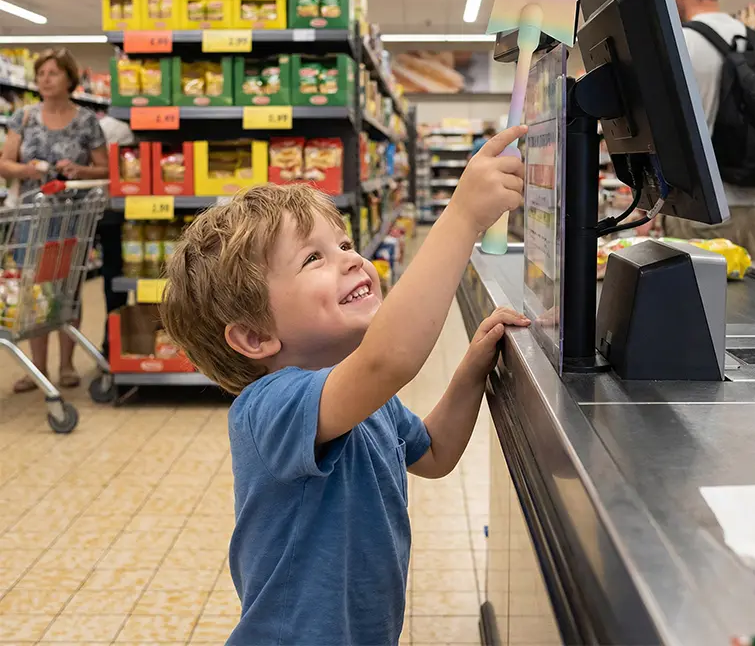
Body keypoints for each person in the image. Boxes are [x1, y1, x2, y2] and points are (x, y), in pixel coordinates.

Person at [160, 125, 529, 646]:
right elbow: (390, 358)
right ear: (254, 335)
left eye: (345, 244)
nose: (352, 259)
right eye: (314, 258)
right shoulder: (270, 408)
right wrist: (463, 217)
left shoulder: (366, 402)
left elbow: (435, 453)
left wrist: (470, 372)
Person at [0, 49, 109, 392]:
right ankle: (37, 369)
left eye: (53, 73)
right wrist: (30, 169)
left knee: (67, 289)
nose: (45, 79)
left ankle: (65, 366)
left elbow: (105, 168)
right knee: (34, 291)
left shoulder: (86, 120)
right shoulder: (23, 117)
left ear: (69, 78)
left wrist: (79, 171)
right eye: (41, 73)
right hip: (32, 217)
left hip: (72, 217)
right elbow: (5, 164)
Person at [668, 0, 755, 261]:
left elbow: (671, 131)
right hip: (754, 208)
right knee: (752, 308)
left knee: (699, 306)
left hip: (702, 210)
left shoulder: (681, 42)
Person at [95, 110, 134, 356]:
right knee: (114, 282)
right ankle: (113, 344)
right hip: (115, 214)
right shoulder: (108, 128)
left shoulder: (107, 126)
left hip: (115, 213)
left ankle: (112, 345)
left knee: (113, 282)